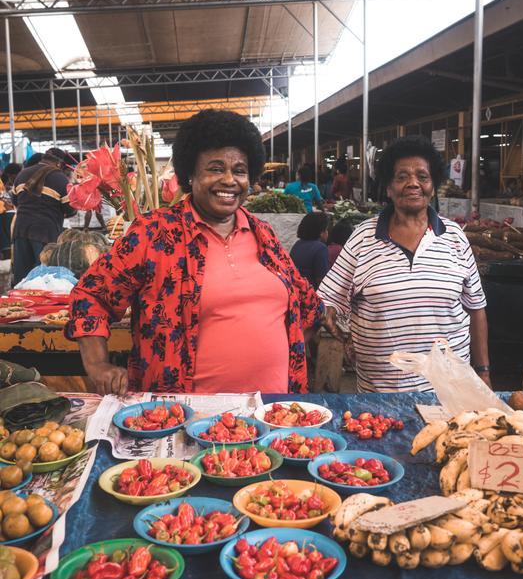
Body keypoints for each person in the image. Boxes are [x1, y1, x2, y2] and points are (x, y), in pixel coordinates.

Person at [65, 109, 324, 396]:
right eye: (215, 168)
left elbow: (306, 303)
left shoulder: (262, 233)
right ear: (190, 174)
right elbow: (92, 294)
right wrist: (98, 365)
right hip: (185, 418)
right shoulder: (154, 233)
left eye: (239, 170)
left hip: (271, 416)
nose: (229, 180)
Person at [320, 136, 490, 393]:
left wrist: (483, 372)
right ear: (388, 188)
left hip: (451, 391)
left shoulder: (455, 237)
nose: (413, 183)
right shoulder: (363, 238)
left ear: (432, 185)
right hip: (383, 394)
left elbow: (476, 309)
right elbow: (329, 298)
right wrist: (330, 314)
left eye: (422, 176)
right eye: (401, 177)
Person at [11, 148, 77, 284]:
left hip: (21, 230)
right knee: (45, 277)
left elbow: (15, 201)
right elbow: (70, 209)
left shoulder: (22, 174)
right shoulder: (60, 178)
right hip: (46, 232)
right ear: (59, 164)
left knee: (21, 275)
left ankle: (18, 303)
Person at [289, 212, 329, 290]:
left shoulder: (298, 244)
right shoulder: (321, 248)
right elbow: (322, 280)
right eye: (326, 229)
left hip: (295, 290)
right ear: (321, 232)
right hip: (310, 294)